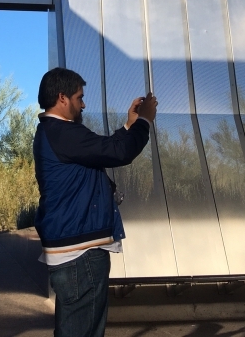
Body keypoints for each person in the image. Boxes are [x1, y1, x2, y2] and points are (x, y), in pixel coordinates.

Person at [33, 67, 158, 337]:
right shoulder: (62, 132)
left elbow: (103, 149)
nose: (84, 104)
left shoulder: (55, 133)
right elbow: (119, 152)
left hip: (74, 250)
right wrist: (145, 121)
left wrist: (129, 125)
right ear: (62, 97)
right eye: (80, 98)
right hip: (81, 254)